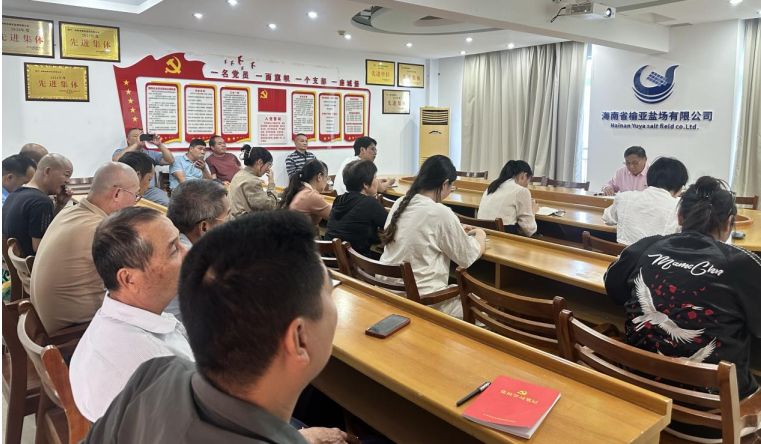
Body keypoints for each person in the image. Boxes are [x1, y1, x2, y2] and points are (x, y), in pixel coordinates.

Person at [81, 211, 357, 444]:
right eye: (174, 249)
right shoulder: (146, 357)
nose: (187, 252)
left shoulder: (154, 371)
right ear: (299, 339)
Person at [604, 176, 761, 441]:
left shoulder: (645, 246)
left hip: (641, 398)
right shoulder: (742, 264)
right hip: (711, 419)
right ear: (729, 223)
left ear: (679, 216)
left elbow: (613, 289)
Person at [69, 207, 191, 422]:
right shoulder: (155, 365)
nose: (188, 252)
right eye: (174, 249)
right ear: (129, 279)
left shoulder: (115, 317)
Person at [30, 162, 140, 333]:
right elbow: (132, 282)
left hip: (46, 320)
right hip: (71, 333)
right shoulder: (100, 229)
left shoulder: (69, 212)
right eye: (135, 195)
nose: (135, 202)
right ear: (117, 194)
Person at [379, 155, 486, 318]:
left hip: (388, 292)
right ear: (445, 184)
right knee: (486, 314)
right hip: (423, 302)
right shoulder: (440, 212)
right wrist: (480, 235)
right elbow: (468, 256)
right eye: (451, 186)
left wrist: (455, 229)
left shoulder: (400, 203)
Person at [165, 179, 230, 321]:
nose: (231, 222)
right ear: (204, 228)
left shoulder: (162, 243)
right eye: (227, 217)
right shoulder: (203, 266)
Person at [603, 157, 688, 245]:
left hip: (623, 253)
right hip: (657, 254)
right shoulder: (678, 208)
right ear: (679, 186)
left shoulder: (624, 198)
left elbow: (607, 218)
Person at [2, 154, 73, 257]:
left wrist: (60, 205)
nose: (68, 181)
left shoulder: (14, 194)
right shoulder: (41, 201)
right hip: (33, 265)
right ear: (47, 171)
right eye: (66, 175)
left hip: (16, 264)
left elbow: (43, 228)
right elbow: (39, 247)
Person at [324, 160, 388, 258]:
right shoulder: (370, 203)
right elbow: (392, 227)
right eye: (375, 177)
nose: (377, 181)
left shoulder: (338, 200)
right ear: (365, 184)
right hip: (354, 264)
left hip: (330, 261)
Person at [112, 128, 175, 205]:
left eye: (141, 136)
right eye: (135, 136)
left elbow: (170, 160)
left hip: (149, 190)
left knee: (166, 203)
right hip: (128, 189)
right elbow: (116, 160)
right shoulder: (121, 152)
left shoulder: (150, 154)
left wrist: (159, 145)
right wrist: (136, 144)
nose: (139, 138)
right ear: (128, 139)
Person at [478, 160, 540, 236]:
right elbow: (529, 230)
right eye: (528, 181)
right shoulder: (521, 190)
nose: (527, 185)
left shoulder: (492, 186)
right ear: (524, 176)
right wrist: (532, 211)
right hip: (503, 237)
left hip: (482, 233)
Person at [279, 159, 331, 233]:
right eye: (327, 177)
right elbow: (335, 216)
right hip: (303, 238)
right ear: (319, 177)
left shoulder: (298, 189)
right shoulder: (310, 195)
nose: (326, 182)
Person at [228, 144, 277, 217]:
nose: (268, 169)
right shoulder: (252, 181)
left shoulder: (240, 174)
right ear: (260, 162)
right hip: (244, 221)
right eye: (268, 164)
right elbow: (270, 206)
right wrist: (271, 183)